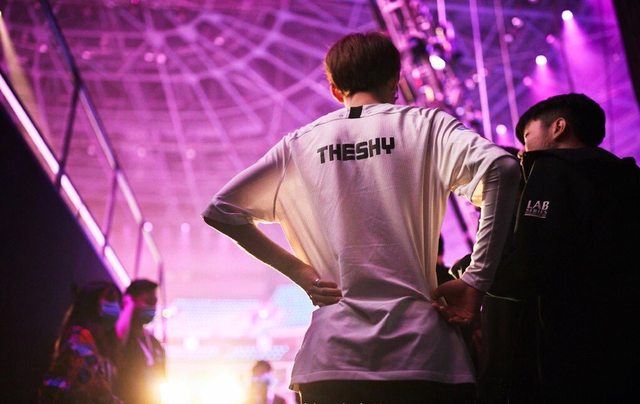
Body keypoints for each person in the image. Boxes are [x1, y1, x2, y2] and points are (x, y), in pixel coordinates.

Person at [202, 31, 520, 403]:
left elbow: (222, 210)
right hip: (422, 356)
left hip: (332, 359)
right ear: (394, 82)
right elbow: (503, 169)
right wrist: (475, 281)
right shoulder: (427, 126)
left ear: (335, 89)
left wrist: (299, 272)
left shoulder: (299, 144)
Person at [476, 93, 640, 403]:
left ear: (558, 127)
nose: (523, 150)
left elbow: (533, 260)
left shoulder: (550, 169)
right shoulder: (623, 174)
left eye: (527, 135)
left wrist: (474, 282)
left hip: (573, 343)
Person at [39, 280, 123, 403]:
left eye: (118, 302)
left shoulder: (99, 343)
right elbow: (91, 389)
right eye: (111, 299)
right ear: (92, 303)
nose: (117, 306)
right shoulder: (79, 339)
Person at [114, 279, 166, 404]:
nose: (153, 307)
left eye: (155, 302)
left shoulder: (154, 343)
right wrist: (128, 306)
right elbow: (118, 341)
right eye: (148, 301)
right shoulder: (126, 338)